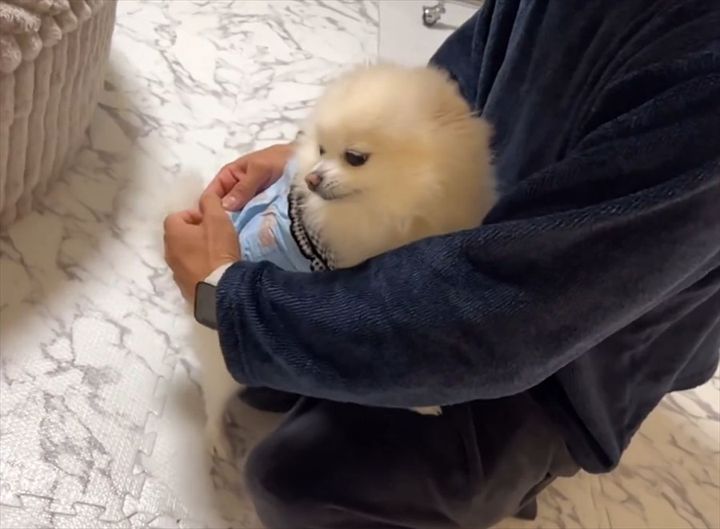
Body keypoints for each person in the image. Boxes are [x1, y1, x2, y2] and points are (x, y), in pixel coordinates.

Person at [163, 0, 720, 527]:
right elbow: (451, 90)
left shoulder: (701, 83)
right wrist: (316, 156)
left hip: (568, 365)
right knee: (270, 372)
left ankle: (524, 459)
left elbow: (509, 314)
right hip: (487, 255)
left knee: (298, 479)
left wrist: (229, 298)